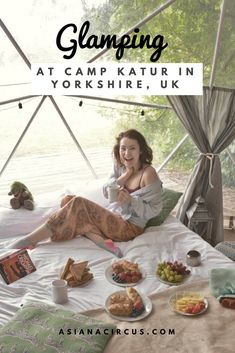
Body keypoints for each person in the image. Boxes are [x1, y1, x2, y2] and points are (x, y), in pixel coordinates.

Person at [8, 129, 162, 251]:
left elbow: (155, 210)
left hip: (129, 228)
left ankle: (31, 239)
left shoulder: (148, 174)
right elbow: (106, 192)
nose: (126, 153)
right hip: (114, 215)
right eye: (123, 148)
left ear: (140, 150)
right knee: (67, 200)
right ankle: (99, 240)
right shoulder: (121, 166)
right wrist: (126, 174)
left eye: (132, 148)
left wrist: (131, 201)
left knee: (78, 203)